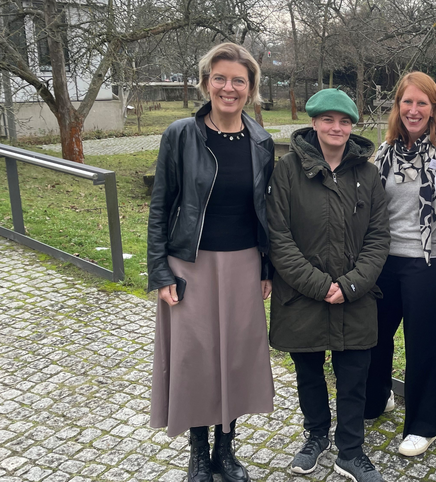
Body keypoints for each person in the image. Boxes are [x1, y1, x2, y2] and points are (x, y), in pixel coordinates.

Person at [147, 42, 275, 482]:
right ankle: (198, 453)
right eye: (219, 78)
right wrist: (159, 269)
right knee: (196, 358)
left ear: (251, 88)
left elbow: (266, 210)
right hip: (190, 265)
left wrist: (267, 266)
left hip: (243, 264)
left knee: (235, 358)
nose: (228, 87)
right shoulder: (181, 134)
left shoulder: (261, 141)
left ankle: (226, 449)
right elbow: (161, 205)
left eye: (238, 80)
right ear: (206, 83)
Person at [266, 88, 390, 482]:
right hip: (302, 296)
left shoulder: (368, 175)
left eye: (345, 121)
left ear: (352, 127)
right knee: (309, 372)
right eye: (328, 120)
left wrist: (351, 285)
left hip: (356, 297)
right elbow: (279, 238)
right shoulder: (286, 170)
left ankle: (351, 450)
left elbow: (378, 238)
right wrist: (319, 285)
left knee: (355, 375)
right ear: (315, 123)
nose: (336, 128)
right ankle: (316, 436)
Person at [363, 72, 436, 456]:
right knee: (374, 336)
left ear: (434, 107)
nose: (414, 110)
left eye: (422, 102)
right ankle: (376, 397)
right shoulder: (382, 153)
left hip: (426, 262)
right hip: (383, 260)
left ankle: (423, 423)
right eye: (407, 102)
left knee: (422, 344)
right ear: (397, 107)